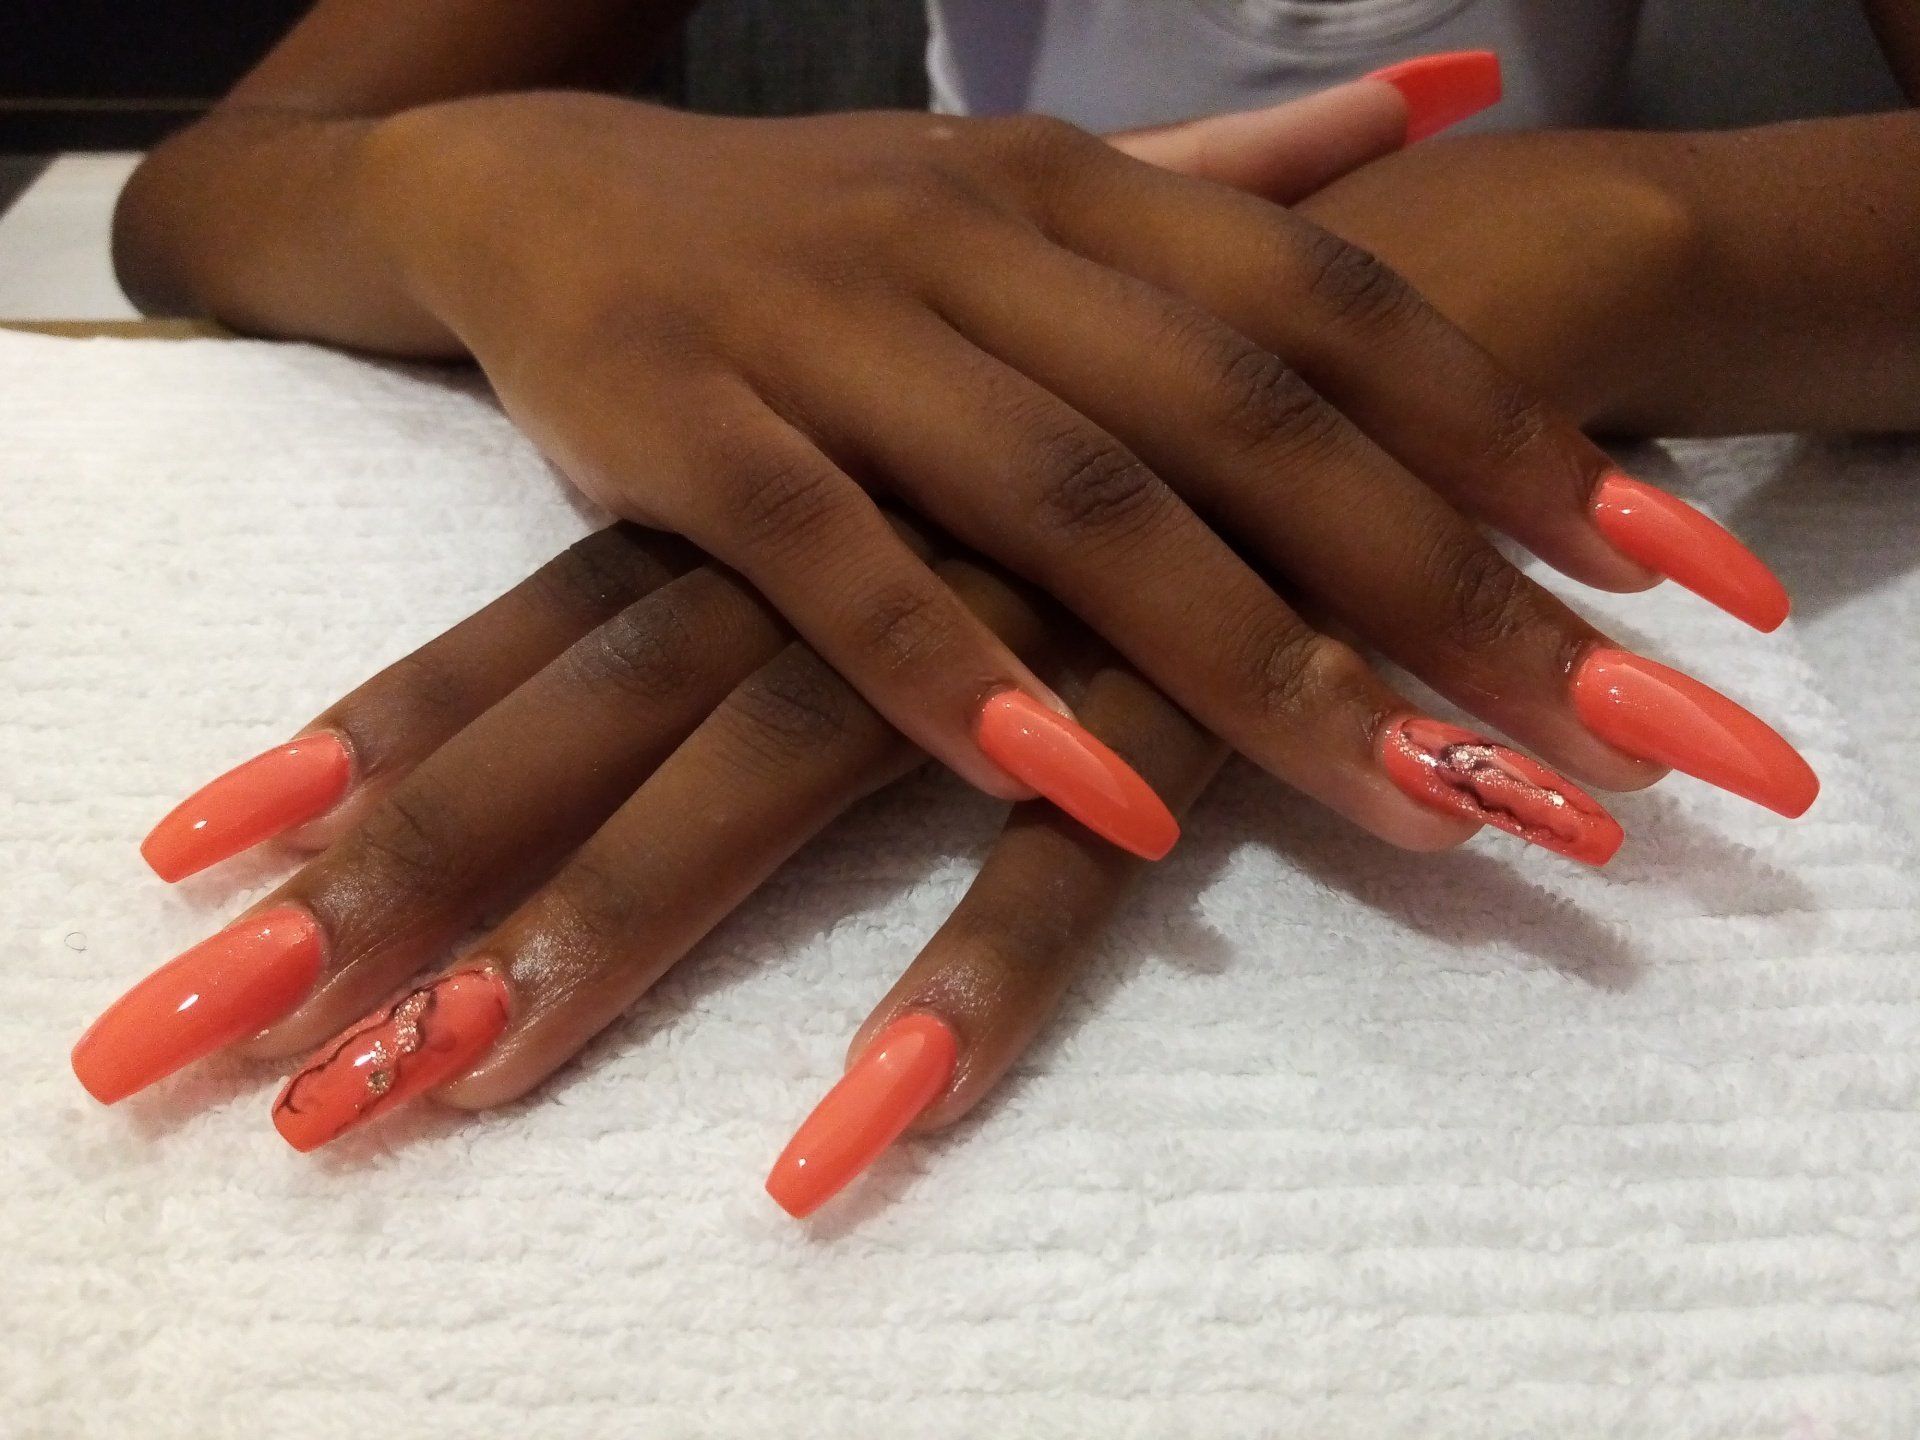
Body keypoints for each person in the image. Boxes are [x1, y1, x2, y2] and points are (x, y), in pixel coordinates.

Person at [73, 1, 1920, 1216]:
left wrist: (1654, 237)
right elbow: (198, 197)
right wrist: (471, 181)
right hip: (875, 318)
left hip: (1466, 337)